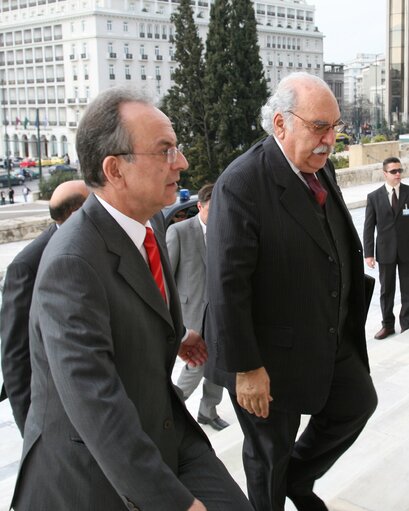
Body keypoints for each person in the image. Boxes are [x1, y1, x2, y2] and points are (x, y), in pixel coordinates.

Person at [9, 86, 252, 511]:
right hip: (92, 474)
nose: (183, 162)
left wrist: (177, 334)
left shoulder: (149, 222)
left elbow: (132, 302)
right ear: (115, 169)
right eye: (165, 151)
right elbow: (96, 406)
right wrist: (175, 504)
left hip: (163, 428)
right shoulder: (70, 264)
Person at [204, 72, 378, 511]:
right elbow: (227, 285)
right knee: (267, 459)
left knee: (357, 403)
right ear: (280, 124)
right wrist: (247, 369)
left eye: (335, 127)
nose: (331, 139)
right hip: (267, 359)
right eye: (319, 126)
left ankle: (297, 482)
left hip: (326, 339)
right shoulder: (241, 183)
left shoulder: (323, 167)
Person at [0, 180, 90, 435]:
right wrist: (31, 428)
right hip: (53, 410)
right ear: (75, 212)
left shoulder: (91, 245)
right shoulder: (27, 264)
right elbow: (15, 354)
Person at [167, 183, 229, 431]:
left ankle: (208, 410)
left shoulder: (226, 230)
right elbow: (167, 279)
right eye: (212, 209)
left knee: (220, 364)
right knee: (197, 365)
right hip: (192, 314)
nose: (217, 216)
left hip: (220, 313)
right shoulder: (179, 232)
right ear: (200, 206)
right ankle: (171, 408)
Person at [363, 156, 409, 339]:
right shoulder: (374, 197)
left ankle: (406, 323)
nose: (398, 174)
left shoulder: (408, 192)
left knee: (407, 289)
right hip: (385, 252)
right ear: (385, 174)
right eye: (393, 171)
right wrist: (368, 254)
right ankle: (387, 325)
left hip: (407, 251)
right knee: (386, 290)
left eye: (400, 171)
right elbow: (368, 227)